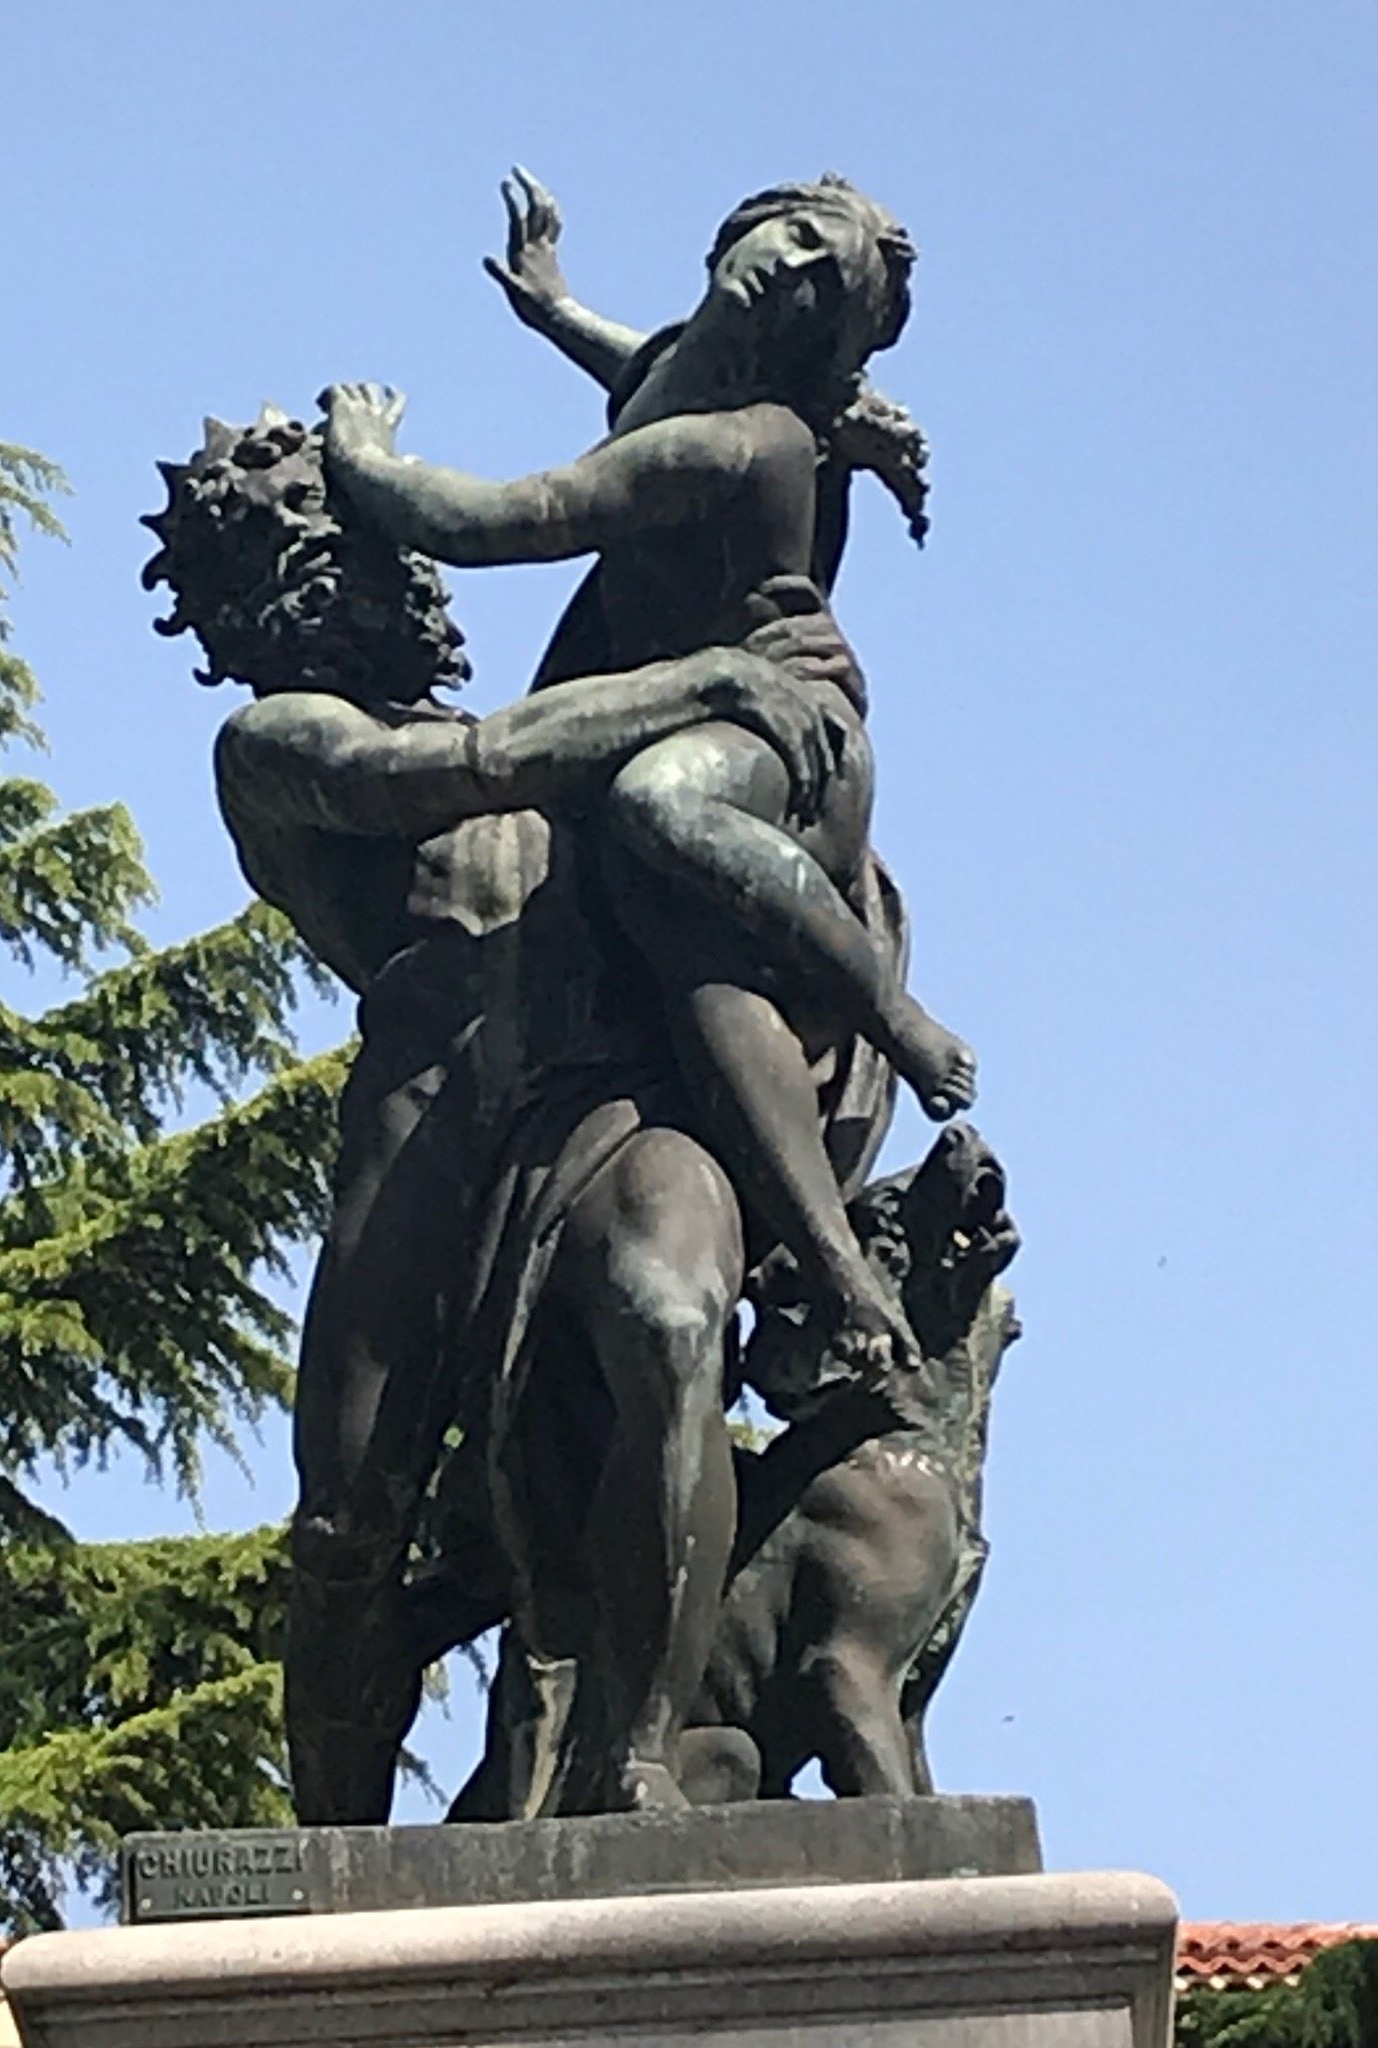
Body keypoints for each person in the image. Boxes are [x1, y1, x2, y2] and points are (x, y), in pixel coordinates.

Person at [187, 407, 868, 1816]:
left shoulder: (585, 713)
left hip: (606, 1109)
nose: (349, 576)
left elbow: (679, 513)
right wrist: (715, 680)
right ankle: (333, 1853)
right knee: (349, 1516)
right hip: (429, 1136)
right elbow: (469, 764)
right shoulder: (277, 743)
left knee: (674, 1320)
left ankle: (637, 1758)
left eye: (356, 543)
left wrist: (817, 433)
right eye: (299, 552)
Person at [321, 173, 974, 1397]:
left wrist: (364, 457)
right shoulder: (691, 379)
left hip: (781, 743)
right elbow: (647, 364)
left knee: (651, 807)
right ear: (737, 227)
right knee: (702, 986)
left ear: (808, 346)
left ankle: (889, 1012)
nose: (791, 264)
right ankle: (838, 1271)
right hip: (707, 718)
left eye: (823, 277)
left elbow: (502, 520)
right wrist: (552, 306)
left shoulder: (732, 443)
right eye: (792, 234)